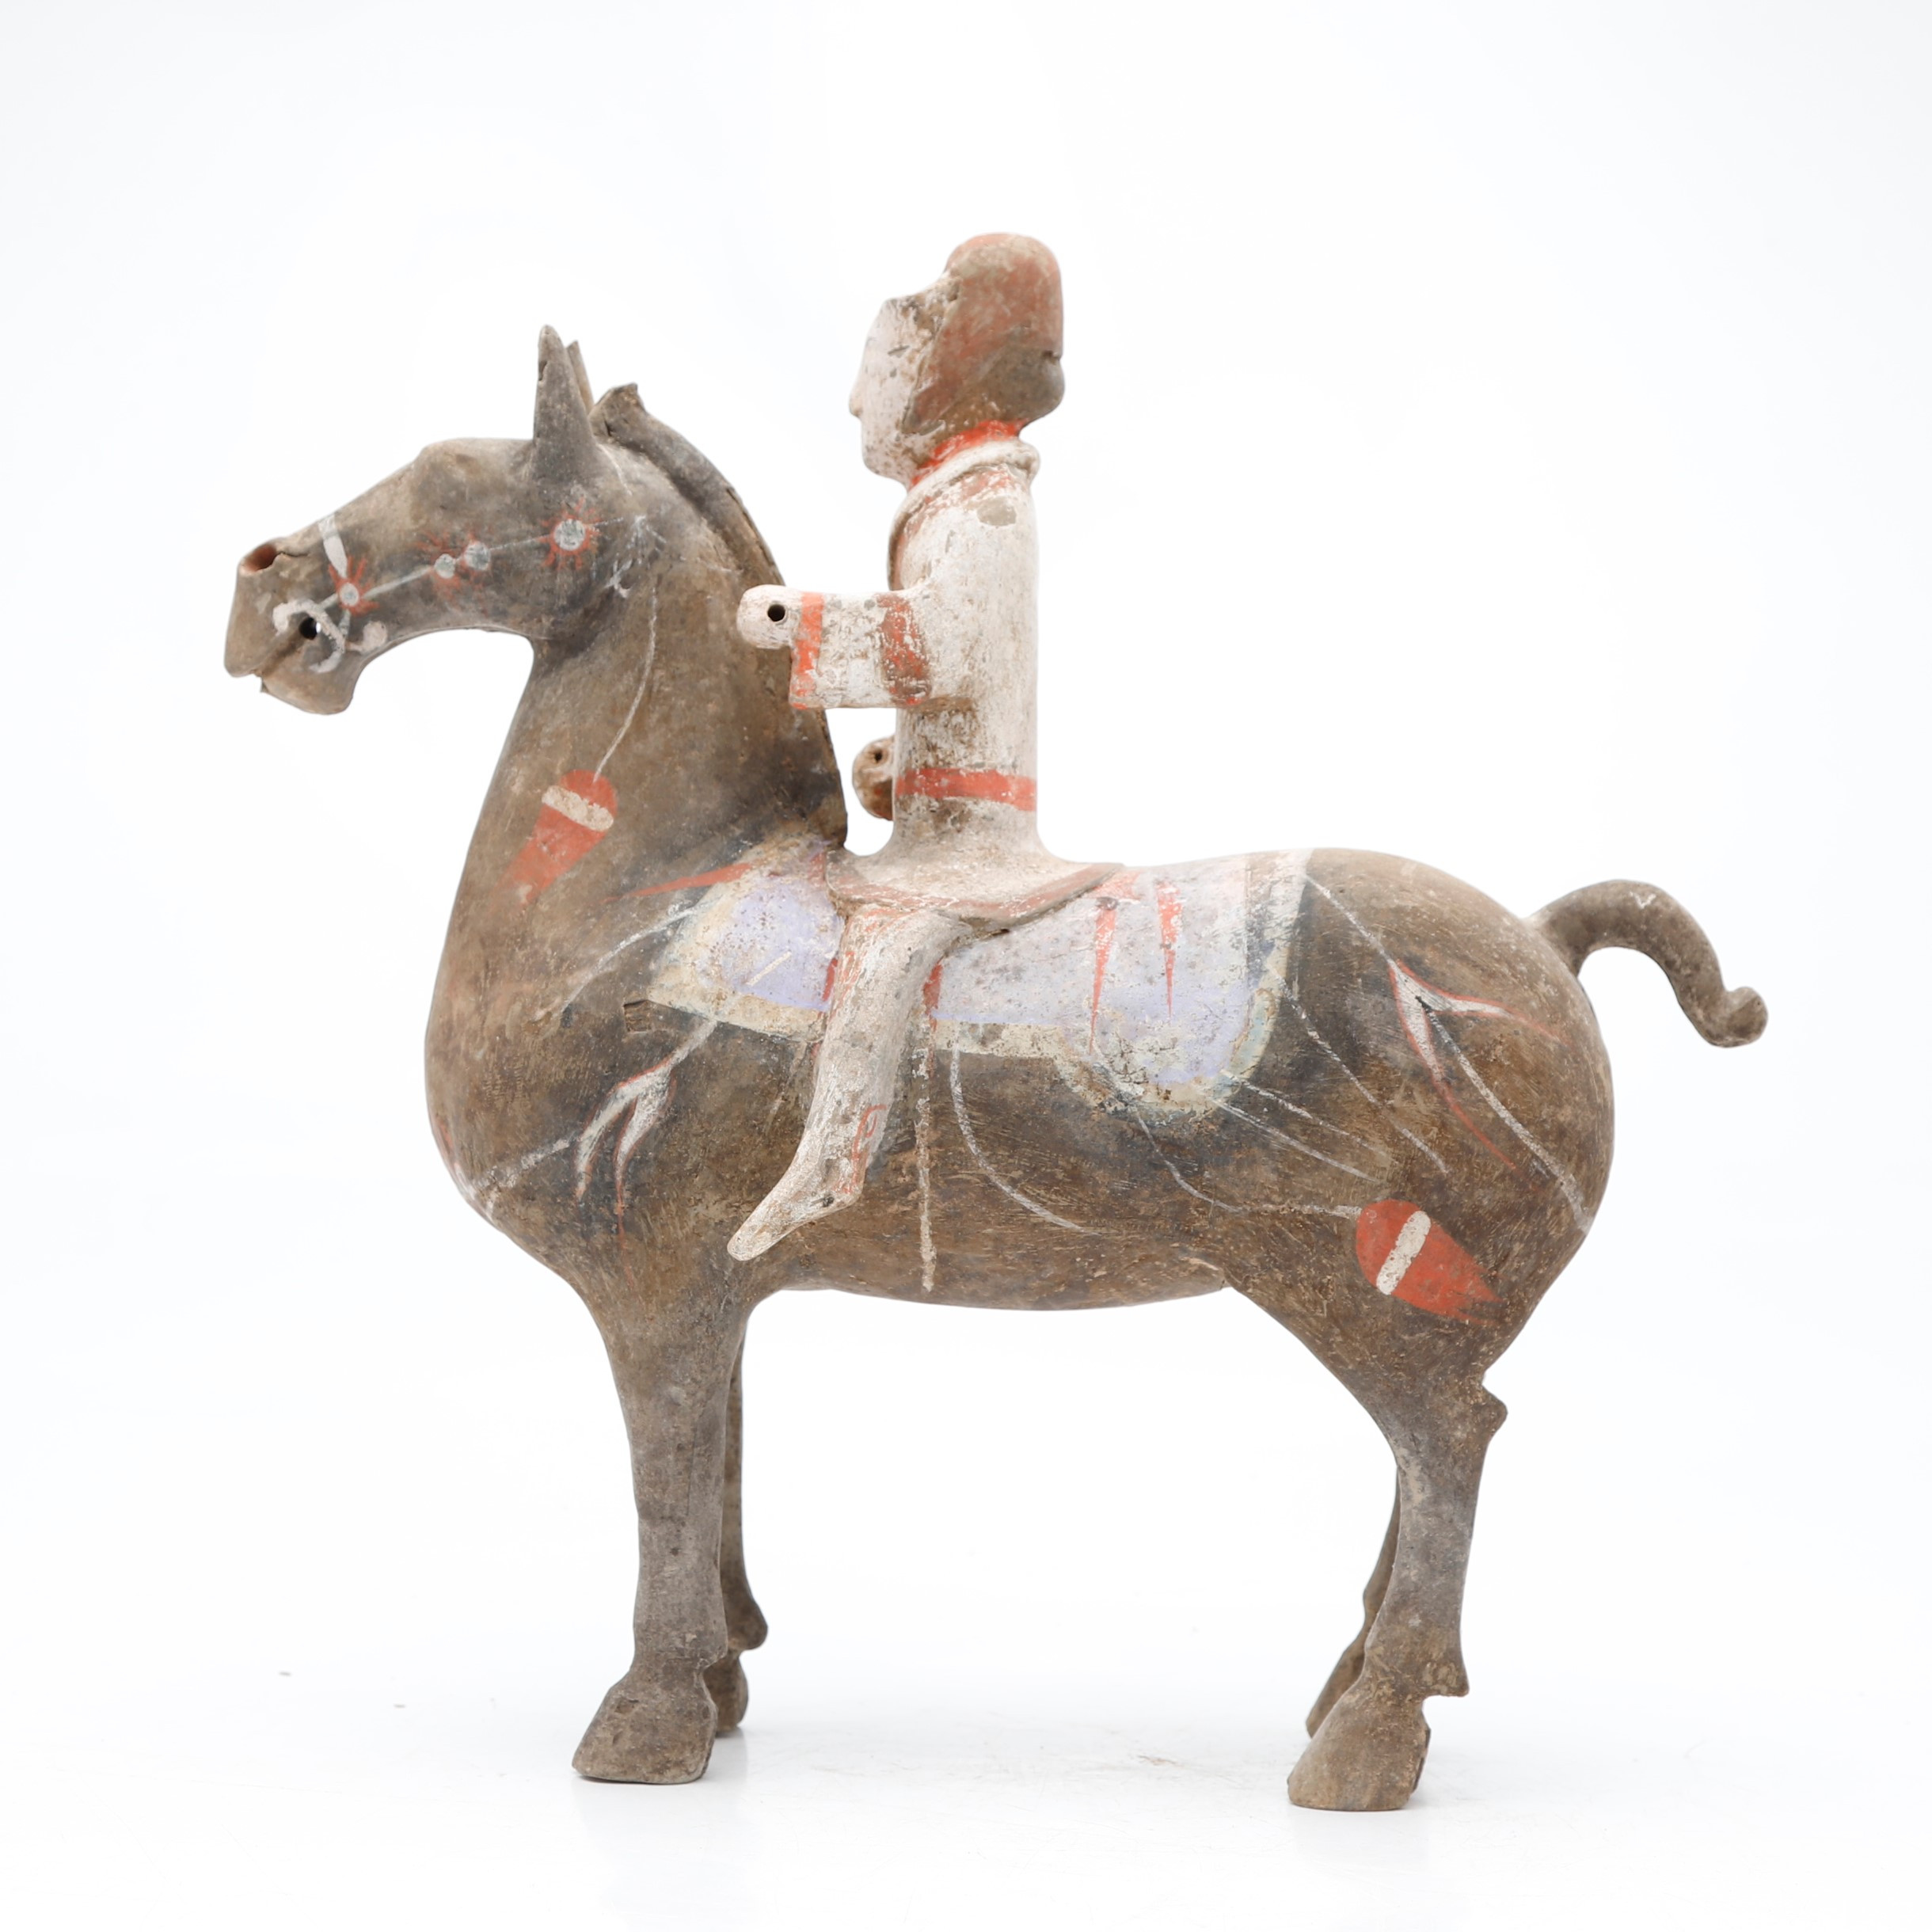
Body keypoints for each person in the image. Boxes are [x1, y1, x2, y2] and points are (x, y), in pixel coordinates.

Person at [726, 235, 1112, 1261]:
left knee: (884, 958)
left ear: (952, 366)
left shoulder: (988, 506)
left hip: (978, 845)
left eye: (883, 367)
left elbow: (950, 645)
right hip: (937, 823)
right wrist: (900, 772)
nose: (859, 400)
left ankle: (833, 1164)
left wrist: (804, 623)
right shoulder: (952, 502)